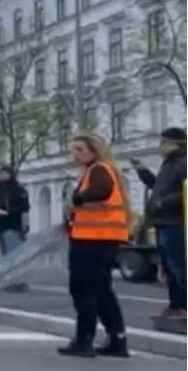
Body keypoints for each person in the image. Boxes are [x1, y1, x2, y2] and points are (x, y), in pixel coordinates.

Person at [59, 132, 129, 358]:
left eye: (80, 149)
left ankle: (84, 340)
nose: (76, 154)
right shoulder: (101, 169)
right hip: (104, 239)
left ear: (94, 150)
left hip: (92, 240)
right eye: (74, 150)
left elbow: (102, 190)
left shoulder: (99, 170)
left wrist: (79, 198)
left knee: (83, 290)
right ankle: (117, 339)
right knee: (102, 291)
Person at [131, 127, 188, 318]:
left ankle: (184, 305)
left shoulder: (184, 163)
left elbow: (185, 192)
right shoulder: (168, 164)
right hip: (163, 221)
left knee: (178, 265)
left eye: (163, 142)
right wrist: (142, 171)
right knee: (169, 267)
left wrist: (163, 202)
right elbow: (157, 187)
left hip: (176, 221)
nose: (160, 146)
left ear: (175, 144)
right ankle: (175, 304)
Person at [0, 165, 30, 254]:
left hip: (13, 224)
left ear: (10, 175)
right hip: (0, 224)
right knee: (5, 250)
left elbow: (24, 207)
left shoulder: (18, 189)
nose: (1, 176)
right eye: (0, 174)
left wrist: (7, 212)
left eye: (3, 173)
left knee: (13, 250)